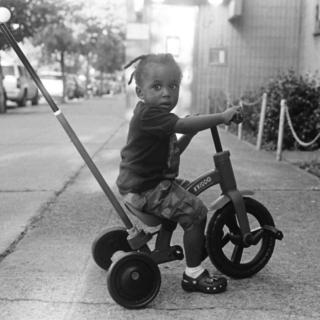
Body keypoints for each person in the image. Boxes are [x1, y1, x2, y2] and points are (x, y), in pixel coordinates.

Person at [116, 53, 243, 294]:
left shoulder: (154, 117)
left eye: (172, 86)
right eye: (157, 86)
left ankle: (170, 243)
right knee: (195, 213)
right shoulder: (150, 115)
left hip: (144, 183)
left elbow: (172, 152)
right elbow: (182, 124)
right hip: (147, 189)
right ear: (140, 93)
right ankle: (193, 274)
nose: (166, 92)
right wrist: (221, 117)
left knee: (187, 191)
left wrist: (190, 135)